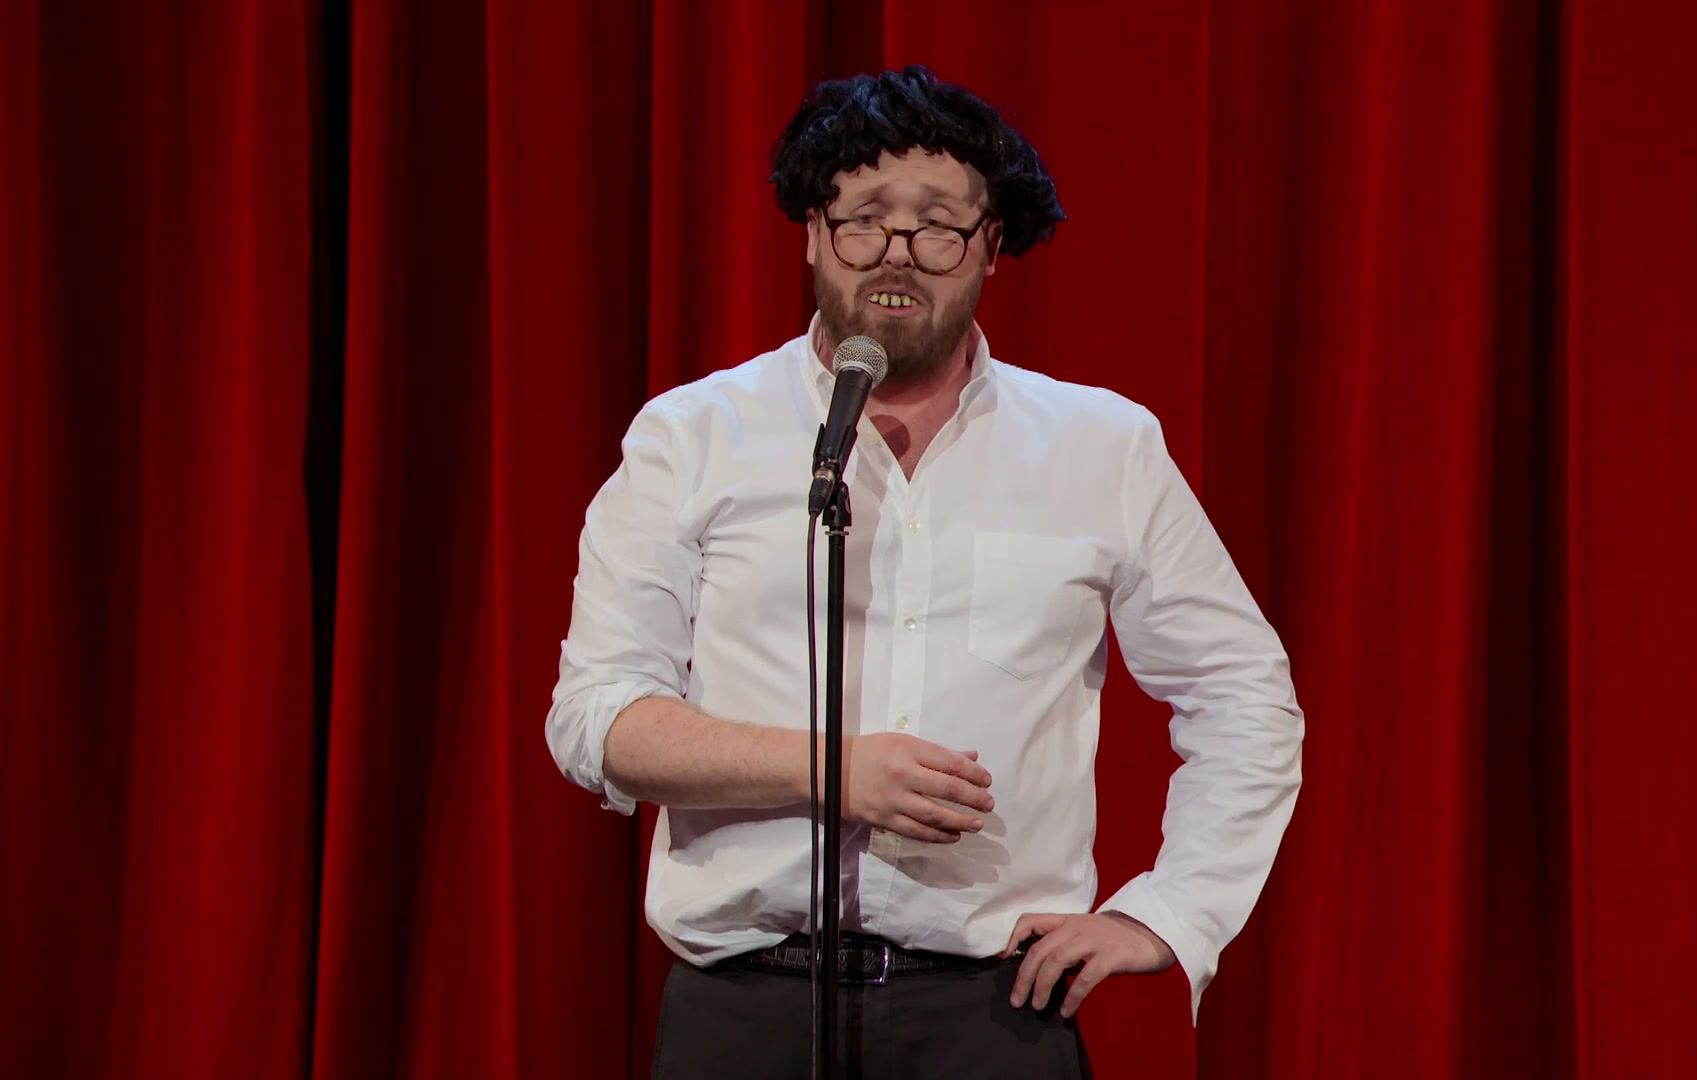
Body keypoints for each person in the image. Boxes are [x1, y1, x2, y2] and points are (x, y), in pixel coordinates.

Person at [546, 65, 1304, 1079]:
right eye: (864, 219)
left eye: (939, 225)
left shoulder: (1100, 446)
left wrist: (1171, 910)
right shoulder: (693, 436)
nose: (898, 252)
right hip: (745, 1011)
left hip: (993, 1017)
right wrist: (833, 771)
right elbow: (595, 717)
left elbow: (1243, 693)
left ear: (990, 246)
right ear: (813, 234)